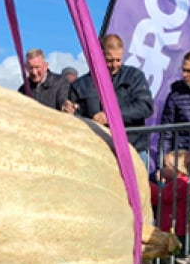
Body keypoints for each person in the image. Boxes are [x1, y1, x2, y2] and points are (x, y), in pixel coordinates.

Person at [62, 34, 154, 172]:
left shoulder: (135, 77)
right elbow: (77, 120)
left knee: (137, 193)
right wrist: (70, 113)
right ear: (98, 56)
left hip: (133, 149)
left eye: (118, 60)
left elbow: (145, 106)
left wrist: (111, 116)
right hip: (97, 152)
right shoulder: (80, 85)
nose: (115, 65)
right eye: (109, 60)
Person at [148, 150, 190, 264]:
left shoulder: (180, 183)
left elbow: (164, 198)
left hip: (176, 228)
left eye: (165, 166)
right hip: (169, 227)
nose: (161, 169)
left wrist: (150, 187)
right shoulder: (176, 183)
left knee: (173, 259)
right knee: (163, 256)